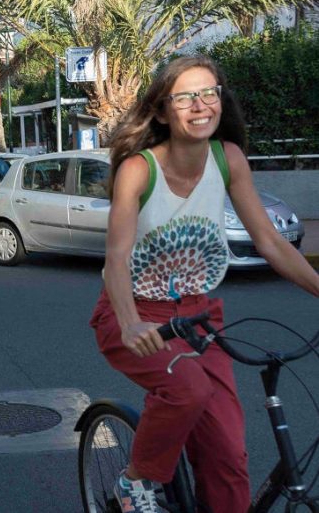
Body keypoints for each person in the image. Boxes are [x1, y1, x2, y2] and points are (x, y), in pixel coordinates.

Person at [91, 56, 319, 513]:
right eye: (185, 97)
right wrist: (132, 323)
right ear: (161, 112)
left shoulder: (228, 158)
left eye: (209, 93)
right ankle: (135, 481)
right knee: (187, 389)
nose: (200, 105)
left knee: (228, 457)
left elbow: (271, 244)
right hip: (132, 312)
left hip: (199, 316)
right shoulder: (139, 169)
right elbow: (116, 258)